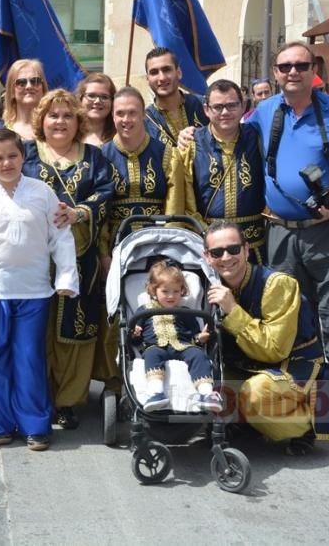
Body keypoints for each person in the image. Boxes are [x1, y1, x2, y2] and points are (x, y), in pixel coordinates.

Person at [249, 41, 329, 433]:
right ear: (275, 72)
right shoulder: (265, 113)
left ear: (313, 69)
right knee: (290, 319)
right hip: (281, 234)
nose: (292, 72)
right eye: (285, 66)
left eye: (300, 65)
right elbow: (224, 132)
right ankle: (300, 395)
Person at [0, 129, 78, 452]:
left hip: (33, 291)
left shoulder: (42, 192)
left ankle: (35, 425)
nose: (6, 163)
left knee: (29, 358)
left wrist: (65, 278)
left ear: (23, 157)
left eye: (12, 156)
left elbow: (60, 236)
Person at [204, 221, 329, 454]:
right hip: (246, 366)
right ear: (207, 256)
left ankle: (304, 425)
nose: (226, 257)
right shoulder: (210, 285)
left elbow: (274, 350)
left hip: (290, 367)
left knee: (253, 396)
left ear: (246, 249)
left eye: (233, 249)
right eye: (217, 252)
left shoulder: (278, 284)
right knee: (200, 386)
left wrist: (233, 310)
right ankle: (250, 421)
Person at [24, 89, 114, 430]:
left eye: (66, 116)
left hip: (81, 258)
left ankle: (67, 401)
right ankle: (38, 398)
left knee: (75, 332)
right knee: (37, 331)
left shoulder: (94, 157)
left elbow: (106, 193)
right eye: (52, 115)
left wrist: (79, 212)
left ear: (77, 121)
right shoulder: (28, 154)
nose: (59, 122)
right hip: (34, 259)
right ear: (41, 120)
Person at [97, 87, 186, 391]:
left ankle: (165, 373)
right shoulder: (103, 155)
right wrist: (105, 254)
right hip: (117, 247)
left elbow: (175, 202)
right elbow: (101, 210)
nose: (126, 119)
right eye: (119, 113)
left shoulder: (165, 152)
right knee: (115, 314)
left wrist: (170, 247)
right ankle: (114, 381)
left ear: (143, 114)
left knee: (159, 306)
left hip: (158, 246)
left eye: (132, 112)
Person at [183, 80, 267, 263]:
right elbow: (185, 198)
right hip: (210, 248)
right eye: (218, 107)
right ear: (206, 109)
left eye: (231, 105)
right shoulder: (192, 144)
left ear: (243, 106)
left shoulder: (258, 137)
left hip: (253, 245)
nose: (225, 112)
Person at [132, 260, 220, 413]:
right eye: (165, 291)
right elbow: (134, 338)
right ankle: (156, 393)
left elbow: (194, 336)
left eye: (176, 292)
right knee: (152, 355)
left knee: (197, 354)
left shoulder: (185, 312)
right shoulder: (144, 310)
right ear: (154, 290)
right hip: (155, 346)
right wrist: (134, 334)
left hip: (183, 346)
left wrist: (200, 338)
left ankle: (207, 394)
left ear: (182, 291)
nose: (171, 296)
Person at [143, 47, 208, 149]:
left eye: (167, 70)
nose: (162, 78)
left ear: (179, 73)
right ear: (147, 79)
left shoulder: (204, 105)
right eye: (154, 72)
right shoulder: (144, 120)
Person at [2, 59, 48, 141]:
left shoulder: (55, 128)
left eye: (35, 81)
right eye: (21, 83)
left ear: (43, 88)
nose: (29, 86)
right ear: (12, 91)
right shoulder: (2, 131)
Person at [77, 73, 116, 146]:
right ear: (81, 98)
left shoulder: (120, 138)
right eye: (91, 96)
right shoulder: (70, 136)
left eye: (104, 97)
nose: (97, 101)